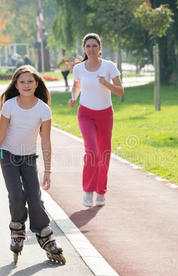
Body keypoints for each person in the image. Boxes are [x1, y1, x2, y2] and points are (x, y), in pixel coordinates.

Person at [0, 65, 66, 265]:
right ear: (16, 85)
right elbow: (0, 134)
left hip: (29, 157)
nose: (27, 85)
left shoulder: (43, 109)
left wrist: (48, 170)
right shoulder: (10, 105)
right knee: (16, 195)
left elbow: (45, 141)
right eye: (22, 82)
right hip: (8, 155)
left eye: (30, 81)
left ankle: (44, 234)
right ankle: (18, 228)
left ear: (37, 84)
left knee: (35, 198)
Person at [68, 33, 124, 208]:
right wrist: (73, 98)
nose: (91, 49)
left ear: (100, 48)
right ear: (84, 49)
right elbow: (76, 86)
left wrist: (106, 84)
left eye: (94, 46)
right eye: (88, 46)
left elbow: (120, 91)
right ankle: (88, 190)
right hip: (85, 113)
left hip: (105, 115)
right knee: (92, 151)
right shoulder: (79, 69)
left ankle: (101, 191)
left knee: (104, 153)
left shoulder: (109, 66)